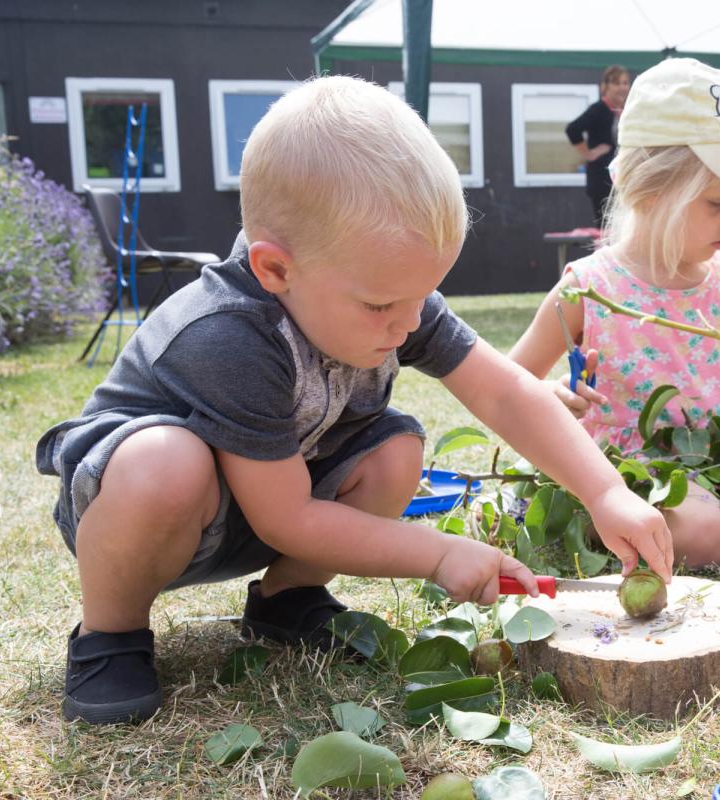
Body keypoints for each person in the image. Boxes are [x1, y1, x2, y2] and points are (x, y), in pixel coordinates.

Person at [35, 76, 673, 726]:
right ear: (276, 270)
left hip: (259, 503)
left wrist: (603, 491)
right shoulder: (228, 334)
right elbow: (285, 517)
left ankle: (287, 600)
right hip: (134, 510)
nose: (407, 325)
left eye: (420, 297)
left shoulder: (383, 291)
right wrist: (440, 554)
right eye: (381, 306)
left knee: (396, 450)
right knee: (166, 463)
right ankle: (108, 635)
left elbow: (504, 388)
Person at [511, 58, 720, 569]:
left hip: (715, 458)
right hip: (632, 472)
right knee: (713, 538)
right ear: (650, 190)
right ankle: (622, 518)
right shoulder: (589, 286)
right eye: (717, 202)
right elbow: (510, 382)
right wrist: (552, 397)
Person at [566, 65, 631, 227]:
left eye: (625, 83)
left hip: (623, 181)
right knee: (607, 231)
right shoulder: (599, 109)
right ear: (606, 86)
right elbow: (573, 129)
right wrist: (589, 153)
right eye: (617, 83)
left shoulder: (627, 110)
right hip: (602, 183)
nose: (622, 87)